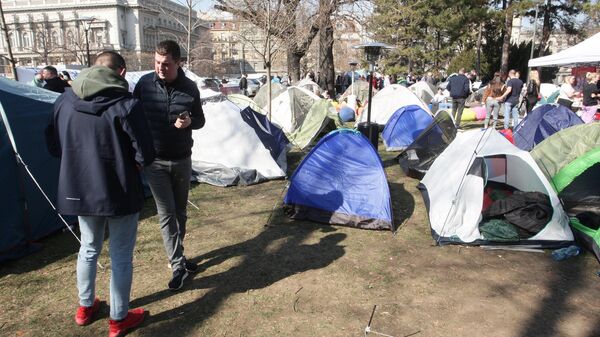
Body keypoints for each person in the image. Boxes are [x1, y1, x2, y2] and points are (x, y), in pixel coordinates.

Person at [46, 51, 155, 336]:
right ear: (121, 73)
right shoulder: (127, 104)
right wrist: (134, 164)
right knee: (119, 254)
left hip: (79, 187)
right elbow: (146, 152)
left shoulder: (63, 101)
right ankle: (117, 318)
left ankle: (86, 307)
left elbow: (53, 144)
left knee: (89, 248)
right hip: (118, 189)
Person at [133, 40, 205, 291]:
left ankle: (178, 255)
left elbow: (200, 121)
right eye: (156, 63)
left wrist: (189, 123)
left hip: (182, 159)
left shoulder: (189, 88)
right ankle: (177, 264)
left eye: (166, 64)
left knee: (180, 213)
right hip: (155, 162)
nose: (160, 68)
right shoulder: (144, 84)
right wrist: (138, 152)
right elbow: (133, 119)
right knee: (166, 214)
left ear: (178, 63)